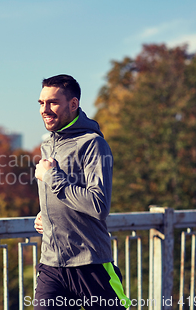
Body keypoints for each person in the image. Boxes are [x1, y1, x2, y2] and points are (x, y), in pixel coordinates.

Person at [33, 74, 130, 309]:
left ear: (73, 104)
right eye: (41, 103)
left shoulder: (93, 144)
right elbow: (64, 195)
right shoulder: (48, 144)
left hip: (90, 263)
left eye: (52, 102)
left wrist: (51, 177)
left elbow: (98, 205)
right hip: (52, 265)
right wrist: (46, 213)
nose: (45, 109)